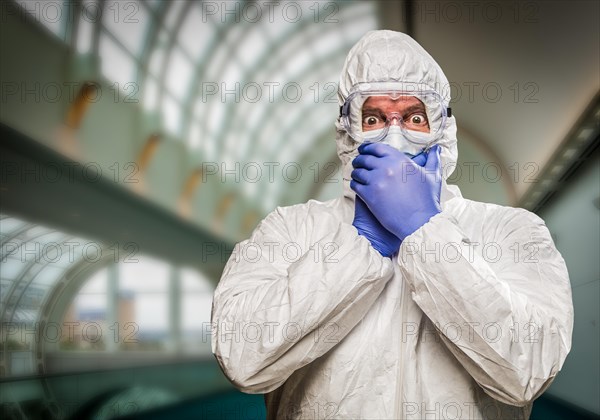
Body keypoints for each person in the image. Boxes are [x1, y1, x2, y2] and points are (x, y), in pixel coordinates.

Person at [211, 30, 573, 419]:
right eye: (374, 117)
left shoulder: (513, 231)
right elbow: (241, 359)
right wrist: (359, 246)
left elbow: (527, 373)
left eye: (415, 117)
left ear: (443, 129)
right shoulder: (290, 229)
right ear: (347, 132)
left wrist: (425, 232)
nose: (394, 135)